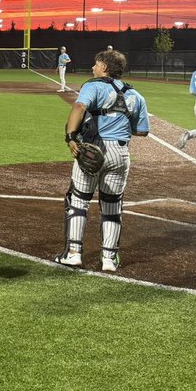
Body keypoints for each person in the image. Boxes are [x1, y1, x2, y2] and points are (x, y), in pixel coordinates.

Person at [56, 49, 150, 272]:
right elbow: (142, 131)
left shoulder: (93, 85)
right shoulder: (136, 96)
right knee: (112, 205)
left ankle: (73, 254)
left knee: (78, 200)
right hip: (120, 153)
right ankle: (109, 258)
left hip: (93, 149)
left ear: (105, 67)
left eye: (96, 64)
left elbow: (79, 107)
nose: (93, 68)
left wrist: (70, 137)